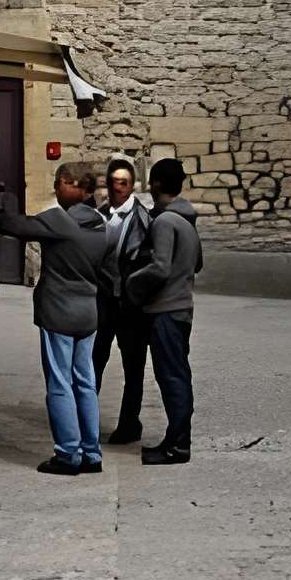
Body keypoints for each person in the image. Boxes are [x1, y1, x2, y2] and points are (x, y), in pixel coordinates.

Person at [0, 164, 107, 477]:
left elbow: (14, 225)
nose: (56, 190)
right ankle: (91, 452)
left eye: (59, 184)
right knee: (85, 383)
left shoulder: (61, 221)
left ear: (73, 184)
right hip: (88, 311)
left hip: (59, 311)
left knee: (59, 382)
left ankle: (67, 453)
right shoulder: (101, 223)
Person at [124, 158, 202, 466]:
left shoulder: (166, 222)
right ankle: (176, 439)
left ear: (155, 184)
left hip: (166, 310)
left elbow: (159, 268)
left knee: (171, 377)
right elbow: (197, 263)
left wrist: (132, 282)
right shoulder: (187, 220)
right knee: (178, 375)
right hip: (182, 307)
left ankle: (178, 446)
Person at [93, 155, 151, 446]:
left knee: (133, 367)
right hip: (104, 301)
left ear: (133, 185)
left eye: (124, 182)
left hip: (131, 305)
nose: (119, 188)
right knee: (94, 363)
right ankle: (88, 421)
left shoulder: (145, 219)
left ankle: (129, 423)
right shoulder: (99, 215)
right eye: (114, 182)